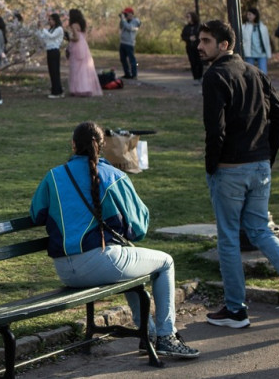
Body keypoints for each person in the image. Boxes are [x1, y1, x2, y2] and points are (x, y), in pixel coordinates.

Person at [29, 122, 199, 359]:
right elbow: (139, 228)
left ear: (73, 144)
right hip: (102, 263)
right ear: (103, 145)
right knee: (166, 262)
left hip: (65, 271)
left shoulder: (54, 176)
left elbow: (36, 214)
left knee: (128, 264)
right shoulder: (114, 176)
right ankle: (166, 336)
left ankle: (149, 334)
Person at [196, 19, 279, 330]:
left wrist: (212, 166)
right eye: (200, 40)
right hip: (259, 165)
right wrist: (266, 156)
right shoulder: (255, 72)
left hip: (230, 169)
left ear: (224, 44)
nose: (199, 46)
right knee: (261, 230)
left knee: (228, 239)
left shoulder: (215, 76)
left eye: (206, 41)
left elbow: (215, 129)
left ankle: (236, 310)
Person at [66, 9, 102, 97]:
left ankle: (77, 88)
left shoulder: (74, 25)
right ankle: (86, 87)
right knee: (83, 66)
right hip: (83, 44)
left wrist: (68, 38)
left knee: (76, 67)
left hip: (76, 45)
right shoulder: (83, 24)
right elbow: (82, 36)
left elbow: (76, 38)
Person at [37, 12, 65, 98]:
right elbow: (43, 37)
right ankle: (57, 90)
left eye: (51, 20)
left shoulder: (59, 29)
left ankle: (56, 92)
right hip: (49, 50)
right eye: (49, 20)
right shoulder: (50, 29)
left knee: (55, 71)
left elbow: (52, 36)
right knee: (52, 71)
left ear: (55, 20)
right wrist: (39, 29)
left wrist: (43, 29)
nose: (49, 21)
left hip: (54, 50)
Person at [240, 8, 271, 74]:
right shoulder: (244, 27)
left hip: (262, 53)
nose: (248, 16)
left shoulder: (263, 27)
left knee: (263, 72)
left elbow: (266, 42)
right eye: (247, 14)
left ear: (255, 15)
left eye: (250, 14)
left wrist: (268, 54)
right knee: (249, 73)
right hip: (249, 54)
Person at [180, 11, 204, 83]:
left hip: (199, 47)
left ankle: (200, 76)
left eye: (188, 17)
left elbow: (203, 35)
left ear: (193, 17)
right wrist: (189, 38)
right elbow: (183, 36)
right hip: (190, 48)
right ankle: (195, 78)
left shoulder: (199, 26)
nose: (187, 18)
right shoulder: (186, 27)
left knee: (199, 62)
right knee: (193, 62)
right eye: (186, 17)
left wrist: (197, 38)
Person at [118, 7, 141, 79]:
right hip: (122, 42)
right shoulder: (125, 21)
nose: (125, 15)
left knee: (132, 60)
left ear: (131, 14)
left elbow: (129, 28)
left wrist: (123, 20)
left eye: (126, 14)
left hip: (130, 43)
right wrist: (121, 19)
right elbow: (121, 27)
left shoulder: (135, 21)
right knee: (123, 59)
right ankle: (127, 74)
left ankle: (134, 74)